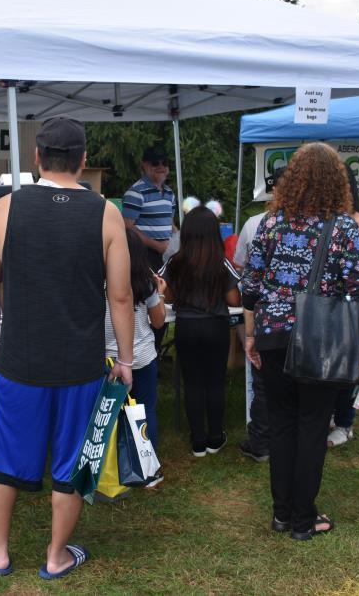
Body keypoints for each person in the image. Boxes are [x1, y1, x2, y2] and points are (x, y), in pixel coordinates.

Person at [0, 117, 134, 580]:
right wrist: (124, 359)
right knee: (72, 460)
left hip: (18, 359)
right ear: (82, 160)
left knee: (3, 455)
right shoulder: (106, 213)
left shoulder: (4, 209)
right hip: (80, 364)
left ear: (37, 157)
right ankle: (56, 556)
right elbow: (120, 296)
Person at [240, 142, 359, 541]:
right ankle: (304, 519)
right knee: (312, 424)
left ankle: (282, 514)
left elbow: (249, 288)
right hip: (320, 341)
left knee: (282, 424)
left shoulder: (268, 224)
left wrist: (252, 334)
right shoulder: (343, 228)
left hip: (272, 336)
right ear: (337, 182)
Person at [164, 205, 241, 457]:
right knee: (215, 382)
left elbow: (166, 294)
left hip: (186, 326)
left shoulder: (176, 262)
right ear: (213, 233)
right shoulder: (221, 262)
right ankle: (216, 437)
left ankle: (198, 440)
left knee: (192, 383)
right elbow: (233, 300)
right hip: (215, 326)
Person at [232, 167, 287, 463]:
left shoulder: (258, 224)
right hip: (304, 320)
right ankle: (286, 442)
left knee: (264, 383)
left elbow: (243, 269)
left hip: (267, 316)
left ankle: (262, 443)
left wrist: (250, 331)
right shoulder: (321, 224)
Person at [105, 229, 167, 483]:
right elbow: (159, 321)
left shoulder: (98, 280)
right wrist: (161, 293)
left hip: (106, 358)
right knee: (144, 410)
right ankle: (147, 469)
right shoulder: (146, 283)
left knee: (108, 415)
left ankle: (111, 469)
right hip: (141, 356)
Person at [327, 166, 359, 449]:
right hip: (323, 307)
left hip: (348, 307)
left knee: (345, 368)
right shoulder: (323, 219)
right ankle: (331, 415)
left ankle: (345, 422)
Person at [123, 146, 175, 273]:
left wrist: (179, 241)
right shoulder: (135, 192)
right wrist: (157, 246)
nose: (161, 166)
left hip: (165, 254)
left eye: (165, 163)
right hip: (144, 256)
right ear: (144, 166)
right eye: (155, 163)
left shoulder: (169, 193)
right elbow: (127, 227)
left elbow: (170, 224)